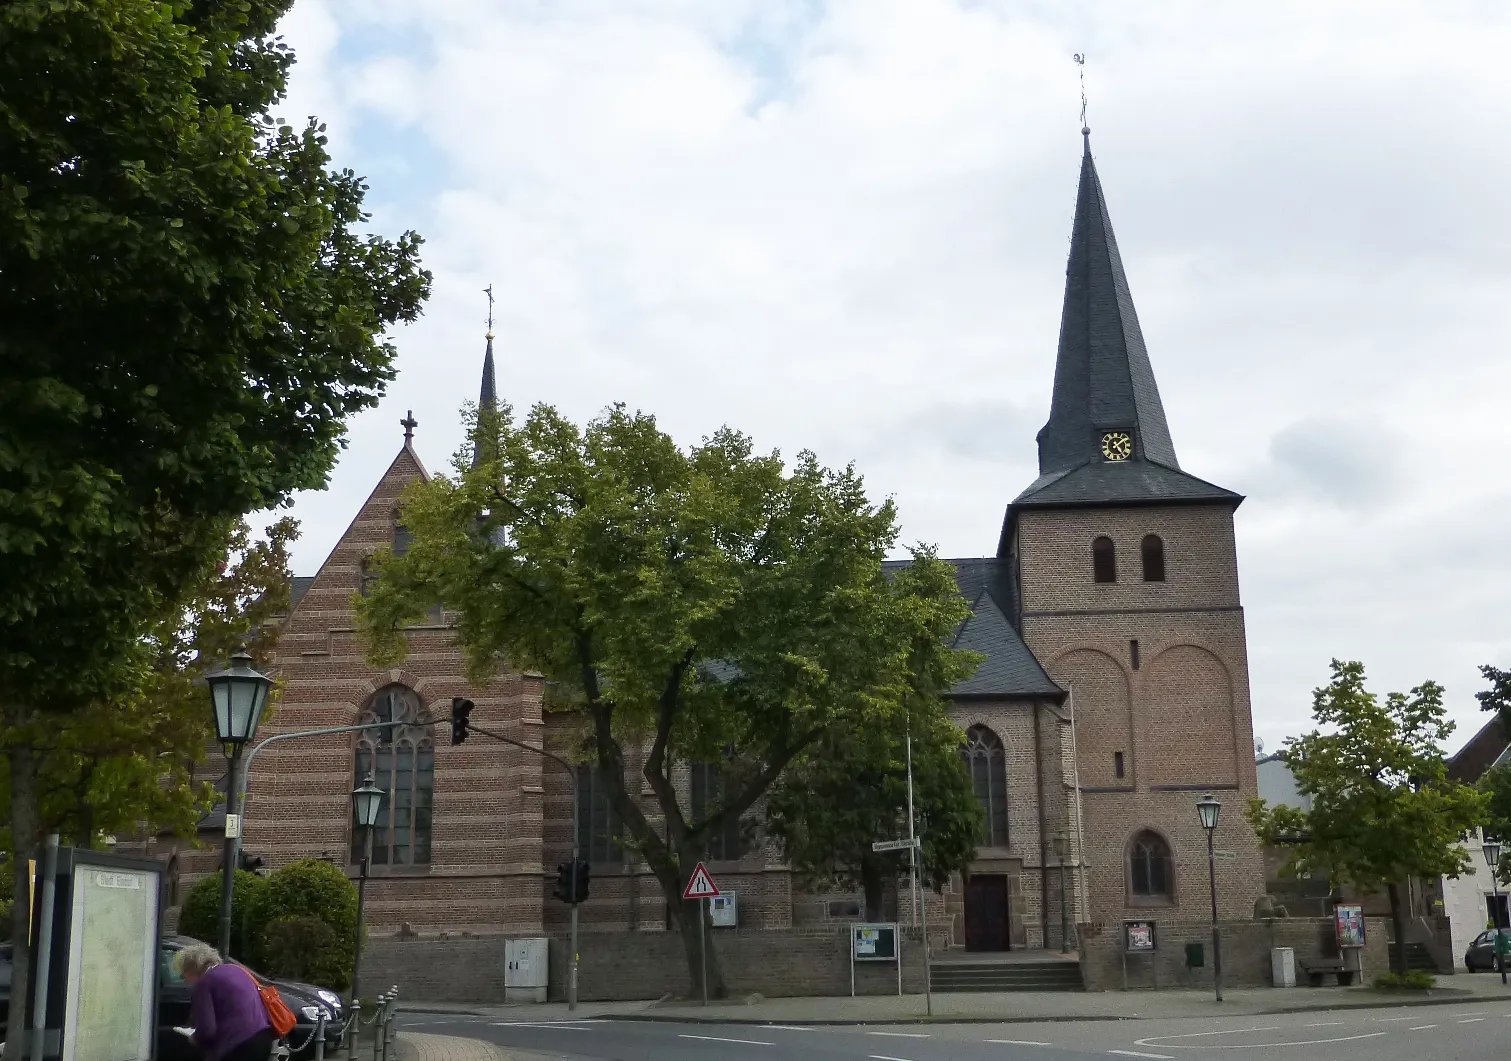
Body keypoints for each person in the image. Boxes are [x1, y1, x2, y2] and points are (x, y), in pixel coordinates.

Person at [172, 943, 275, 1061]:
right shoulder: (236, 970)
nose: (184, 979)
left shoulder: (205, 983)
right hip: (263, 1038)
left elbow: (207, 1030)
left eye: (183, 975)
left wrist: (194, 1038)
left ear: (192, 968)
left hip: (238, 1046)